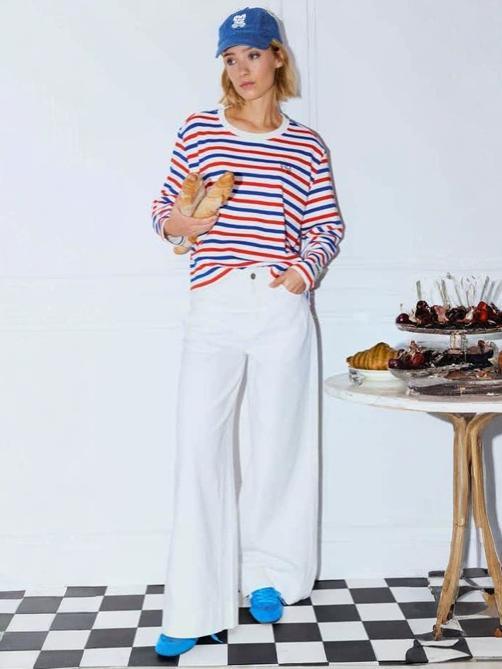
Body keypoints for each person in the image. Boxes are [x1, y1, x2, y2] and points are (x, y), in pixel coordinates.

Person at [150, 6, 345, 657]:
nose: (242, 70)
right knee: (198, 448)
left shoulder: (305, 144)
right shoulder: (199, 129)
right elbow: (164, 210)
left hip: (279, 303)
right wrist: (182, 224)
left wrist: (301, 273)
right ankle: (194, 604)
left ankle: (271, 574)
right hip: (215, 303)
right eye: (231, 59)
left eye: (253, 55)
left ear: (278, 57)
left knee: (277, 444)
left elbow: (325, 225)